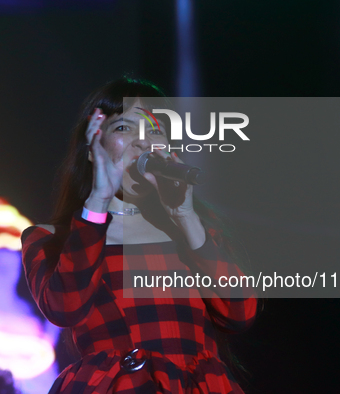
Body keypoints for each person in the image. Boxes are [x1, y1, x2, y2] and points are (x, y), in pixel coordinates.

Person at [21, 77, 257, 394]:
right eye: (124, 128)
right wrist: (98, 203)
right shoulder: (51, 239)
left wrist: (185, 217)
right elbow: (65, 308)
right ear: (92, 149)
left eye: (155, 130)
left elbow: (239, 313)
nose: (143, 143)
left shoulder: (196, 229)